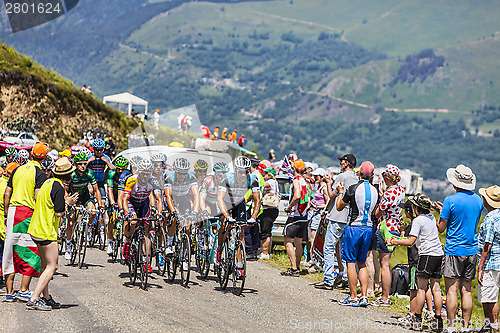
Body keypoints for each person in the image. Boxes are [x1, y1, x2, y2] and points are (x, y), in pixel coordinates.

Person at [433, 164, 483, 332]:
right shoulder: (478, 200)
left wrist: (439, 214)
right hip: (471, 250)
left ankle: (451, 326)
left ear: (455, 183)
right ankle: (466, 327)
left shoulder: (450, 200)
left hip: (454, 249)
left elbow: (441, 228)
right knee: (466, 290)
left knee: (452, 291)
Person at [26, 157, 78, 311]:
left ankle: (46, 297)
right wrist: (68, 204)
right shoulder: (59, 187)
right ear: (67, 175)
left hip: (36, 228)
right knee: (53, 266)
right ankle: (34, 298)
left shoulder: (48, 182)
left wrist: (65, 200)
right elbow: (59, 213)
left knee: (45, 265)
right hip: (46, 230)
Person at [387, 194, 444, 331]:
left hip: (426, 256)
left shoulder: (418, 221)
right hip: (438, 254)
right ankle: (438, 321)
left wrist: (394, 241)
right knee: (436, 288)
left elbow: (410, 241)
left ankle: (417, 320)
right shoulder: (431, 217)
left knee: (421, 289)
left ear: (415, 208)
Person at [3, 142, 48, 302]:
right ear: (44, 158)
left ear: (31, 154)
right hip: (28, 213)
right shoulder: (39, 173)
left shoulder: (17, 169)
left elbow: (7, 193)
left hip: (14, 211)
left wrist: (7, 212)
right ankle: (24, 289)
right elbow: (37, 197)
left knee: (10, 251)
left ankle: (9, 293)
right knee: (30, 252)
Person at [336, 161, 378, 307]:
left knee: (350, 262)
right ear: (372, 175)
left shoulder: (353, 188)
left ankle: (353, 296)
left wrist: (340, 192)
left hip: (354, 227)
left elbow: (339, 206)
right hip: (368, 228)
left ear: (359, 173)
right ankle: (364, 295)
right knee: (363, 263)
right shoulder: (375, 190)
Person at [316, 154, 358, 290]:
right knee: (344, 249)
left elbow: (331, 195)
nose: (340, 163)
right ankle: (345, 276)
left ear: (347, 163)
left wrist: (329, 183)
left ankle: (328, 278)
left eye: (342, 161)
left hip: (337, 215)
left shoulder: (342, 177)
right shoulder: (356, 178)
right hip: (349, 217)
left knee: (329, 247)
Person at [215, 156, 260, 277]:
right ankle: (219, 251)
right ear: (236, 170)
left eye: (246, 171)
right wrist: (226, 215)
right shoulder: (227, 178)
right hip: (225, 203)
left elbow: (257, 201)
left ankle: (239, 264)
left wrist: (253, 217)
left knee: (241, 232)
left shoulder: (253, 179)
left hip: (239, 204)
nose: (243, 174)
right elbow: (219, 199)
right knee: (225, 222)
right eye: (240, 171)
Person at [371, 164, 405, 307]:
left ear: (386, 177)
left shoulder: (389, 194)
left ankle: (385, 297)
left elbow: (378, 213)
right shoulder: (401, 190)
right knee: (386, 262)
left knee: (384, 264)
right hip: (396, 226)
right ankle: (385, 295)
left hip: (386, 228)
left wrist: (380, 199)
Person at [122, 159, 163, 273]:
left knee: (146, 230)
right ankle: (127, 241)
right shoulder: (131, 180)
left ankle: (146, 261)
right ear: (139, 173)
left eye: (147, 173)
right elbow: (125, 199)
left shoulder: (154, 181)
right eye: (143, 173)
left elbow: (159, 199)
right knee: (134, 222)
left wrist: (159, 213)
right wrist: (127, 213)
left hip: (143, 204)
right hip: (132, 202)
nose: (145, 176)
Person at [65, 152, 103, 260]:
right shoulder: (71, 174)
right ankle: (68, 245)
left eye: (85, 164)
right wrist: (69, 202)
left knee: (93, 212)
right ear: (76, 164)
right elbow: (65, 191)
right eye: (80, 164)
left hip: (84, 195)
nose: (83, 166)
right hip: (73, 196)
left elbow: (96, 190)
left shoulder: (89, 173)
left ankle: (89, 228)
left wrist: (100, 205)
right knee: (71, 222)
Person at [163, 157, 199, 256]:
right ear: (175, 171)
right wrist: (173, 211)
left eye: (184, 173)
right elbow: (168, 196)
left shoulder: (191, 176)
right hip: (172, 199)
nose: (182, 176)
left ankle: (184, 255)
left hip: (184, 199)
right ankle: (169, 245)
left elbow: (196, 195)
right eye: (180, 173)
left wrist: (195, 211)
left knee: (187, 227)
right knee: (174, 219)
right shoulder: (169, 176)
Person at [477, 185, 500, 333]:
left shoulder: (491, 218)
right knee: (491, 295)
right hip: (497, 262)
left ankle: (492, 325)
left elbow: (488, 244)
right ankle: (490, 325)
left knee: (489, 297)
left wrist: (480, 266)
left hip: (490, 263)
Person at [282, 159, 311, 277]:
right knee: (298, 242)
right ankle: (297, 266)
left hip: (295, 215)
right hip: (304, 216)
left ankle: (293, 268)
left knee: (288, 241)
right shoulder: (306, 180)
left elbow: (297, 196)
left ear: (294, 169)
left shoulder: (296, 180)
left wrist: (289, 207)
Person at [87, 138, 114, 243]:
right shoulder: (90, 156)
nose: (99, 152)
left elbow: (113, 169)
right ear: (93, 149)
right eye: (97, 150)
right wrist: (89, 161)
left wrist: (106, 161)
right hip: (90, 182)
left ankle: (101, 229)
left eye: (101, 149)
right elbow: (82, 168)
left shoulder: (105, 157)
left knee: (103, 204)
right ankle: (89, 226)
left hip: (100, 182)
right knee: (90, 197)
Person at [105, 156, 129, 255]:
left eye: (122, 169)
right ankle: (110, 242)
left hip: (122, 195)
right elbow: (109, 190)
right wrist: (112, 203)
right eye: (118, 168)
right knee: (111, 216)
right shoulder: (112, 173)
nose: (119, 171)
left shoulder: (128, 175)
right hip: (113, 195)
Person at [306, 167, 328, 267]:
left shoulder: (324, 188)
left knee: (314, 239)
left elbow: (328, 203)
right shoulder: (319, 187)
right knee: (311, 238)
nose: (315, 178)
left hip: (319, 214)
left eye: (317, 176)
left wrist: (316, 206)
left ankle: (315, 261)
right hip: (315, 214)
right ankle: (312, 260)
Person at [258, 167, 279, 260]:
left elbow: (262, 186)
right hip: (273, 209)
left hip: (268, 209)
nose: (263, 175)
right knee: (268, 232)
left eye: (265, 173)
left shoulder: (270, 182)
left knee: (265, 231)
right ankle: (268, 252)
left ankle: (265, 252)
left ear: (270, 175)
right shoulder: (275, 182)